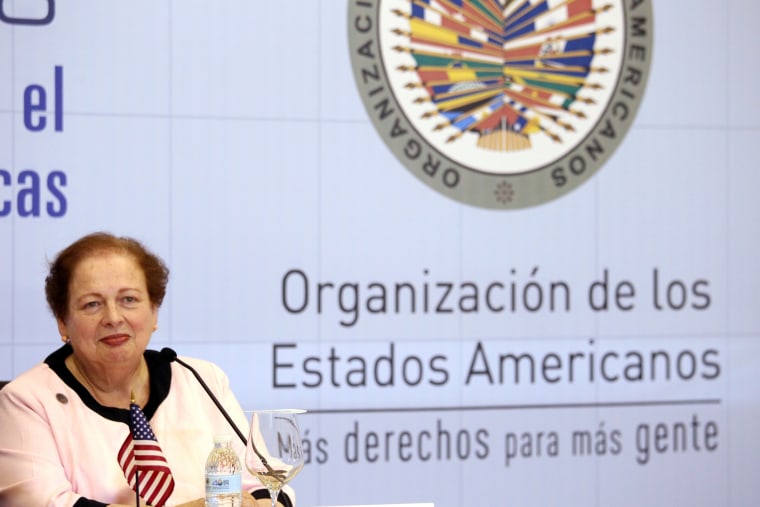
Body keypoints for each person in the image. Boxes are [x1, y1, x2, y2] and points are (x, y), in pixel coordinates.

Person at [0, 232, 295, 507]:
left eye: (129, 300)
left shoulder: (200, 379)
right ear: (62, 322)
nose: (113, 318)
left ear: (154, 311)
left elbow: (267, 483)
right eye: (92, 305)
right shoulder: (26, 401)